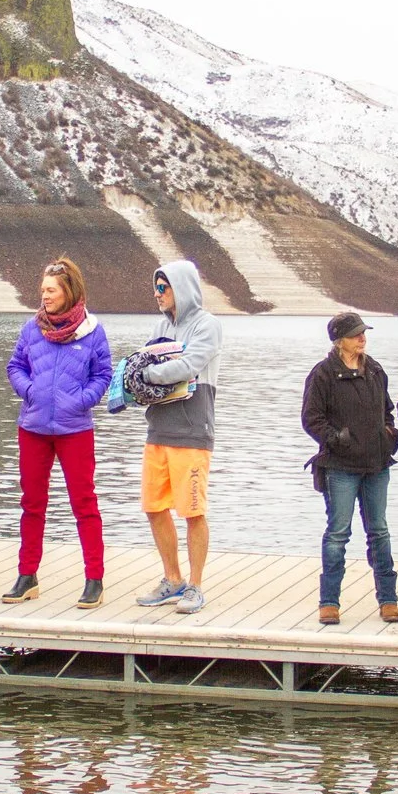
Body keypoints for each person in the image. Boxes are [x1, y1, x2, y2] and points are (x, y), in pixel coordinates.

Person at [4, 257, 112, 607]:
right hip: (33, 427)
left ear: (69, 291)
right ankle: (27, 575)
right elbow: (16, 366)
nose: (44, 296)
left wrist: (83, 400)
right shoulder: (31, 328)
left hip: (74, 428)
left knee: (84, 503)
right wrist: (29, 390)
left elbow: (104, 374)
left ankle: (94, 578)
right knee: (31, 503)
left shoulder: (93, 330)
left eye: (51, 290)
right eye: (42, 290)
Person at [135, 260, 223, 616]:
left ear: (181, 288)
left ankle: (196, 586)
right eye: (156, 287)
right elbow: (141, 363)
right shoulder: (160, 325)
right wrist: (133, 381)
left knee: (192, 510)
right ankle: (172, 579)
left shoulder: (208, 325)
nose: (158, 294)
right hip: (158, 428)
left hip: (192, 430)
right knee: (154, 506)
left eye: (164, 287)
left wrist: (147, 374)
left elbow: (190, 365)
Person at [303, 312, 398, 625]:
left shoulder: (375, 370)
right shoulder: (322, 374)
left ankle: (388, 600)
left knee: (380, 532)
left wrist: (389, 435)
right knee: (338, 533)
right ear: (339, 340)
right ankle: (329, 602)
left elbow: (388, 410)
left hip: (376, 464)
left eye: (363, 332)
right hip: (340, 466)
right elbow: (311, 418)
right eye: (355, 334)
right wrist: (336, 439)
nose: (362, 338)